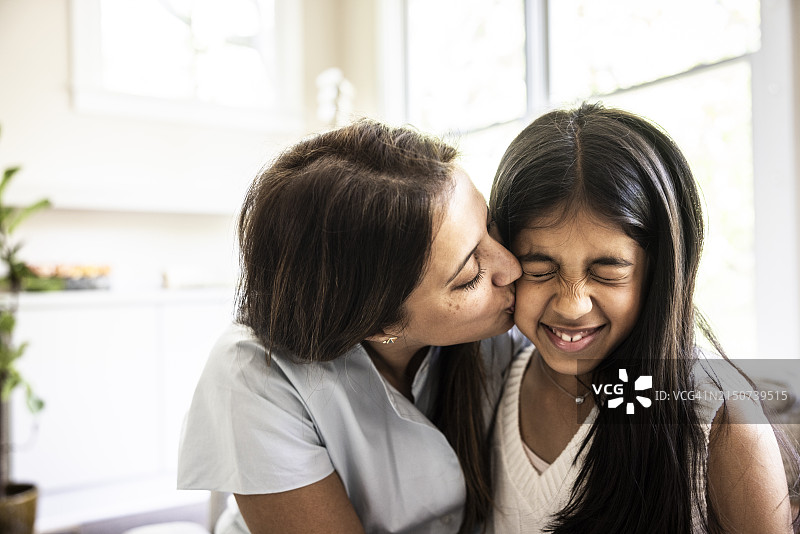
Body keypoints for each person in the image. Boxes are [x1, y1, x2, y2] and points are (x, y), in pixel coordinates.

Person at [178, 119, 526, 534]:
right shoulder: (253, 373)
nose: (512, 266)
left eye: (489, 227)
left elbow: (613, 389)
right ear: (378, 323)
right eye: (470, 275)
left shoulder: (506, 322)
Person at [487, 102, 798, 533]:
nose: (572, 305)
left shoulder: (721, 421)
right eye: (540, 270)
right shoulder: (493, 375)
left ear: (658, 272)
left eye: (608, 272)